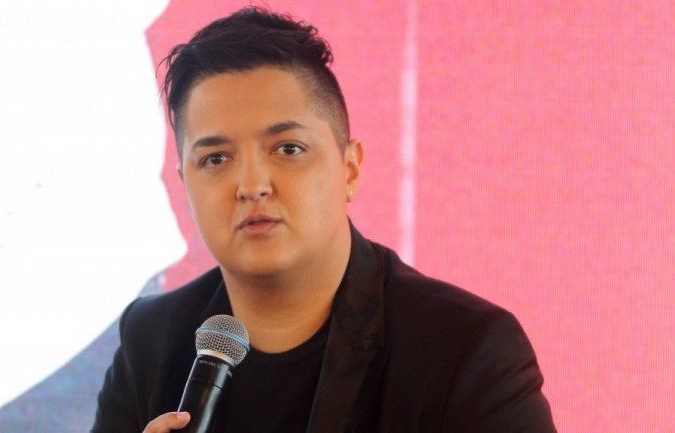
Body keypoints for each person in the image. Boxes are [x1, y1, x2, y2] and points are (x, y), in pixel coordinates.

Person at [92, 7, 556, 433]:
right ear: (184, 185)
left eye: (287, 149)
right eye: (215, 159)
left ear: (348, 169)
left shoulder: (465, 348)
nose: (252, 185)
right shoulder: (151, 340)